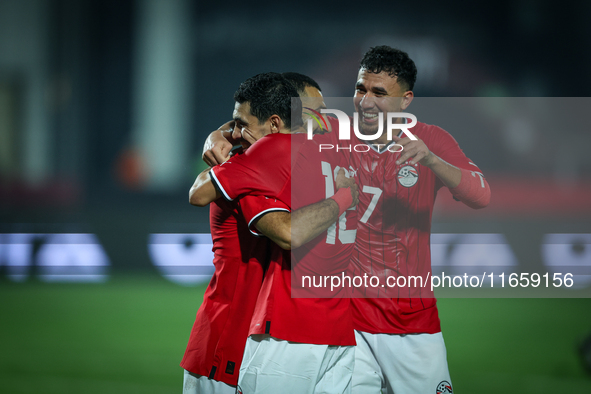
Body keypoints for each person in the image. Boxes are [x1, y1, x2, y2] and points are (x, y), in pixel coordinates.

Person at [184, 72, 359, 394]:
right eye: (310, 111)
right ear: (281, 121)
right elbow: (199, 194)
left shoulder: (307, 156)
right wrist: (344, 198)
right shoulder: (249, 168)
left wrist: (219, 132)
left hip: (274, 332)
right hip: (228, 339)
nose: (318, 120)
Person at [346, 46, 491, 394]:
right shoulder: (332, 135)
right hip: (349, 321)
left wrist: (432, 161)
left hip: (411, 323)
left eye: (379, 93)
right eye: (360, 88)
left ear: (405, 100)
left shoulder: (432, 140)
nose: (365, 101)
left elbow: (481, 196)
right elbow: (270, 132)